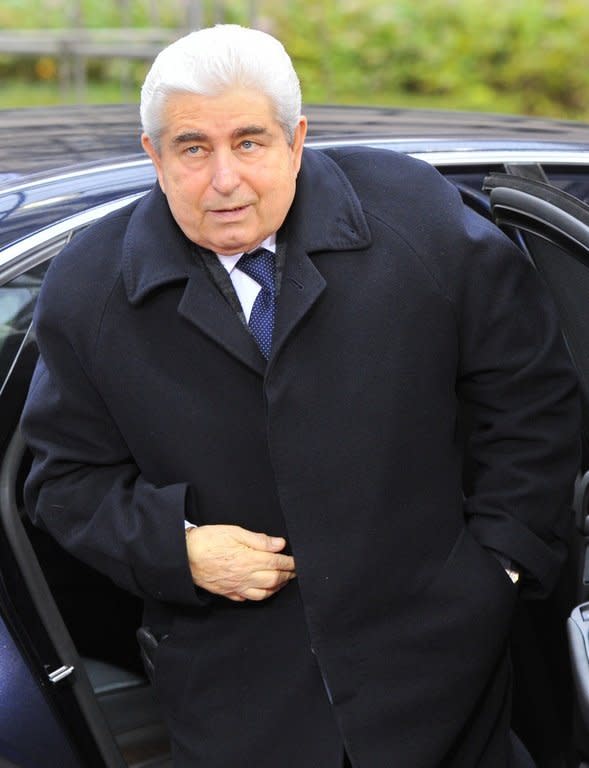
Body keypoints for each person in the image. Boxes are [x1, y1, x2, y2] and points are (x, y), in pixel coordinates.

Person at [21, 23, 580, 768]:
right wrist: (176, 549)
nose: (224, 179)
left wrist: (498, 567)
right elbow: (63, 483)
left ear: (296, 140)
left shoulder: (414, 217)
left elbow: (531, 396)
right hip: (238, 698)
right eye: (193, 148)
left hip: (441, 679)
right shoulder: (90, 283)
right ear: (154, 155)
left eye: (249, 142)